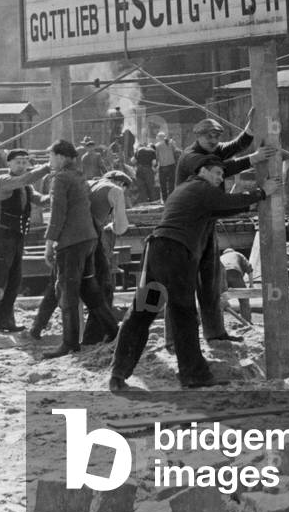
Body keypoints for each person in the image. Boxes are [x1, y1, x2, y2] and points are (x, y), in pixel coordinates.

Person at [109, 155, 279, 392]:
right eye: (218, 174)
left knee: (143, 311)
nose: (221, 178)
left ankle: (118, 373)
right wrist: (262, 192)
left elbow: (222, 208)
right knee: (183, 312)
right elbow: (229, 202)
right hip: (176, 253)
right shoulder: (202, 189)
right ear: (203, 172)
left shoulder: (185, 190)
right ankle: (193, 374)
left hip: (156, 252)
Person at [173, 110, 275, 342]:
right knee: (179, 288)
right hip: (186, 230)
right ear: (197, 136)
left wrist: (250, 127)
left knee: (210, 281)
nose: (213, 141)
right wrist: (253, 162)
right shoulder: (191, 158)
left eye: (215, 137)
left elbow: (234, 146)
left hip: (206, 224)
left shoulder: (212, 151)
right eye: (208, 137)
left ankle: (215, 333)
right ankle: (173, 338)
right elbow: (221, 169)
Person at [30, 169, 131, 345]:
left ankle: (37, 328)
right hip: (90, 238)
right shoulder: (115, 190)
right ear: (121, 183)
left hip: (67, 237)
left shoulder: (87, 184)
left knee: (58, 285)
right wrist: (110, 226)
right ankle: (94, 337)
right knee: (102, 287)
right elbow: (121, 227)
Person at [40, 139, 118, 359]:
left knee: (67, 293)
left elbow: (57, 215)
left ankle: (69, 342)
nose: (50, 161)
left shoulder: (60, 179)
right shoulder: (79, 176)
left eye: (51, 156)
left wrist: (49, 244)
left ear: (62, 157)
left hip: (71, 243)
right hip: (88, 240)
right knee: (90, 289)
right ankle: (113, 330)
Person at [0, 149, 50, 336]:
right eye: (18, 162)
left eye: (25, 162)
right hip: (2, 237)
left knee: (14, 281)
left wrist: (52, 197)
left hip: (17, 238)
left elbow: (38, 199)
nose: (22, 165)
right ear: (9, 164)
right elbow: (24, 180)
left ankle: (5, 321)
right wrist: (48, 167)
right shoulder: (4, 181)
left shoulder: (26, 187)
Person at [220, 246, 254, 323]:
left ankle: (219, 323)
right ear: (232, 251)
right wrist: (251, 285)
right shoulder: (238, 254)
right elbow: (249, 269)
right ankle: (247, 321)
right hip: (235, 272)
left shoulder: (221, 257)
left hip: (221, 275)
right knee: (244, 299)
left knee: (220, 299)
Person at [154, 132, 179, 202]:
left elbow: (156, 157)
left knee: (163, 184)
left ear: (159, 138)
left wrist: (155, 166)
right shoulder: (171, 143)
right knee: (171, 183)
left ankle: (165, 199)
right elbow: (176, 152)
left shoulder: (157, 145)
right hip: (172, 165)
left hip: (162, 166)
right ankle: (171, 198)